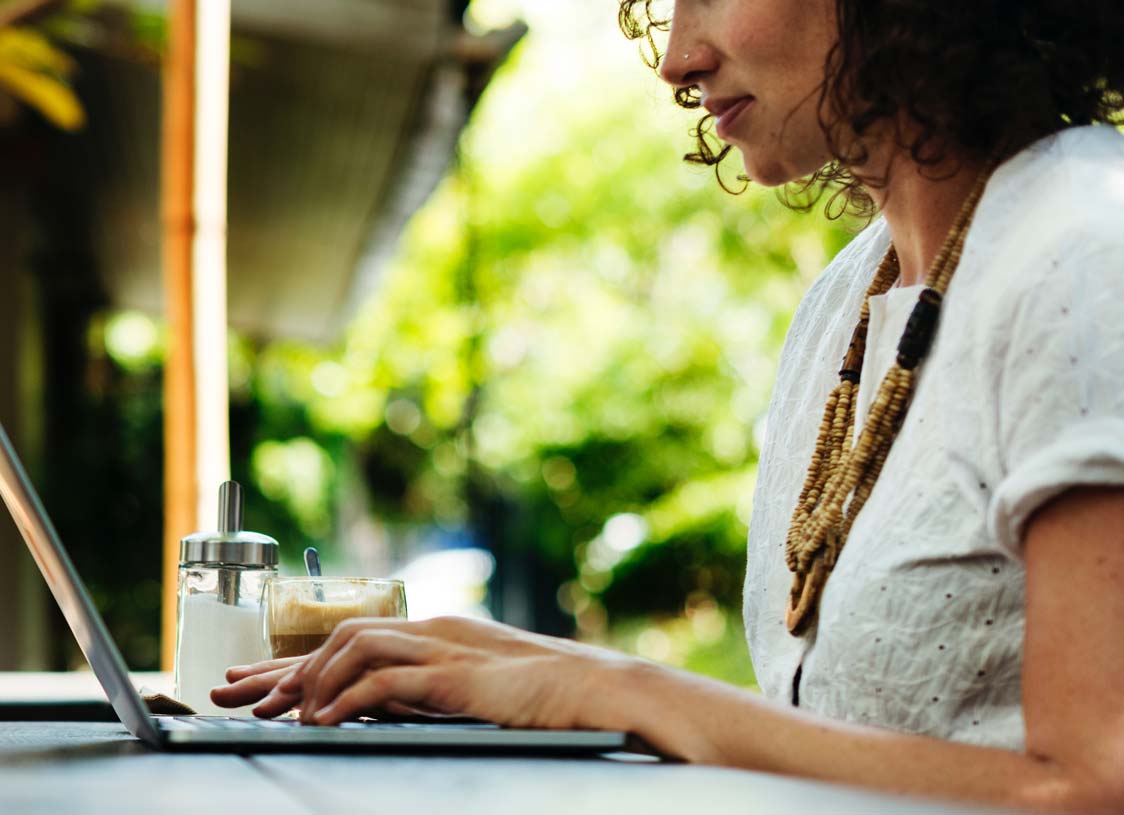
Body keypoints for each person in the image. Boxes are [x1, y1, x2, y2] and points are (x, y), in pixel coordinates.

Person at [213, 1, 1124, 811]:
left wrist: (627, 694)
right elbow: (835, 736)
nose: (677, 57)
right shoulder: (848, 299)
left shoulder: (1084, 249)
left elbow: (1094, 785)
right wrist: (519, 663)